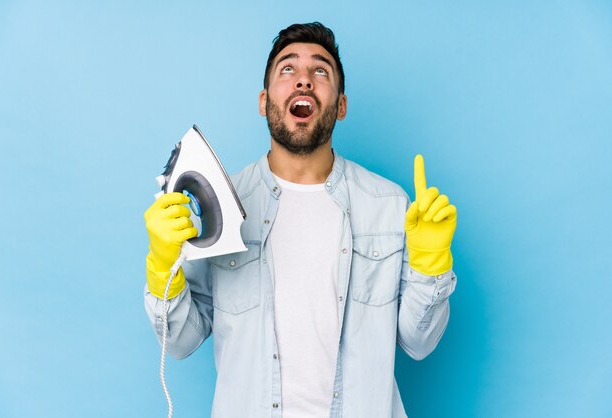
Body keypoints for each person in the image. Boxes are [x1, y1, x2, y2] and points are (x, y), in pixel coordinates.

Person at [144, 22, 458, 418]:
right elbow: (180, 340)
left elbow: (419, 342)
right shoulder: (221, 206)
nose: (304, 81)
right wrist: (161, 265)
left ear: (340, 106)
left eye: (321, 71)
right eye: (287, 69)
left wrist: (432, 264)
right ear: (264, 101)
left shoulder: (389, 204)